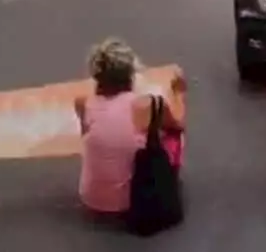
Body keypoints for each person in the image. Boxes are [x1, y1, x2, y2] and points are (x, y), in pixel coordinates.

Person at [74, 39, 187, 223]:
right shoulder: (147, 105)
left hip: (91, 199)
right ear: (130, 73)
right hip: (133, 202)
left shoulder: (83, 103)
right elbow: (179, 124)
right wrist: (179, 93)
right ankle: (168, 178)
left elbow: (86, 137)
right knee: (173, 135)